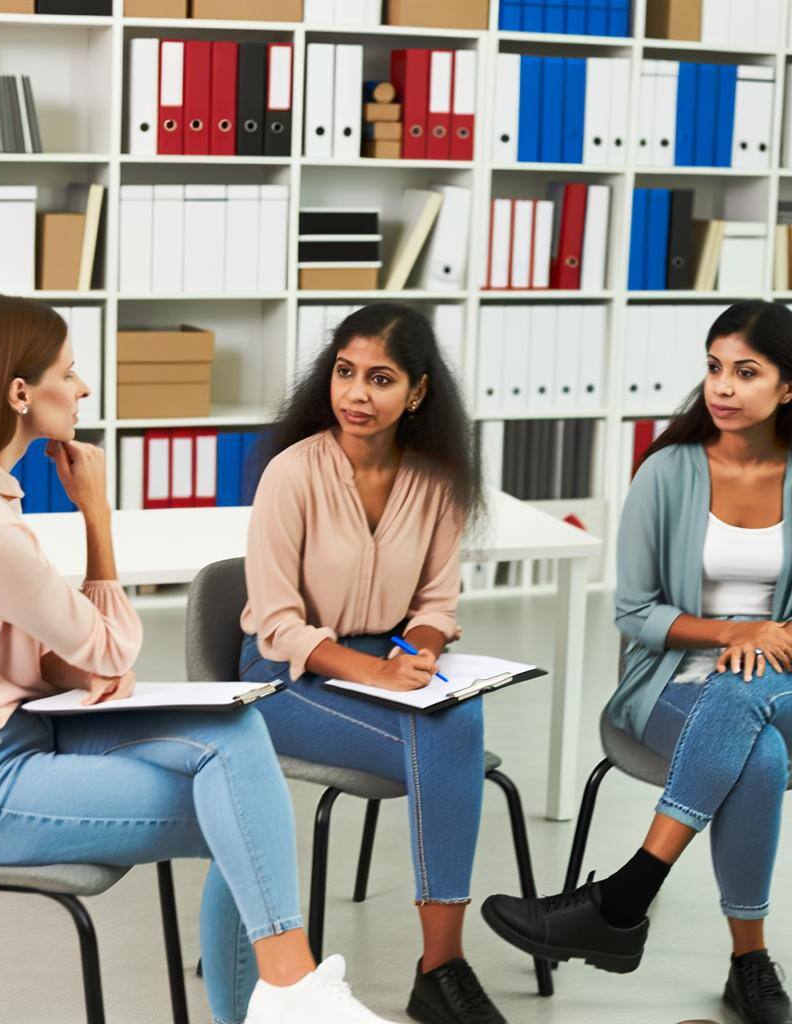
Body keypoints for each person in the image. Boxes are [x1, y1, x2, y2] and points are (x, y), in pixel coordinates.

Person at [0, 295, 388, 1024]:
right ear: (19, 394)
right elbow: (110, 647)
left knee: (236, 740)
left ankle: (286, 994)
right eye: (69, 374)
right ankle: (289, 995)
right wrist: (97, 518)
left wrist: (84, 655)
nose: (82, 390)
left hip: (21, 730)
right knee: (242, 813)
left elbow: (75, 655)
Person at [481, 301, 792, 1024]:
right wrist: (729, 635)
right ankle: (751, 963)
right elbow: (635, 612)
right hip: (673, 685)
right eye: (714, 367)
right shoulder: (667, 471)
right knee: (759, 754)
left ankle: (625, 898)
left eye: (747, 372)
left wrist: (776, 637)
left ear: (789, 387)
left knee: (750, 702)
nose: (723, 387)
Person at [237, 303, 501, 1024]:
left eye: (380, 379)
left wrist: (418, 652)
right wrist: (378, 674)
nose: (356, 394)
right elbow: (276, 625)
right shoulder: (292, 474)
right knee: (447, 734)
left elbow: (438, 601)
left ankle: (441, 968)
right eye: (345, 373)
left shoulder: (439, 481)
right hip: (284, 678)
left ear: (416, 392)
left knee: (454, 713)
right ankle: (443, 971)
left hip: (385, 657)